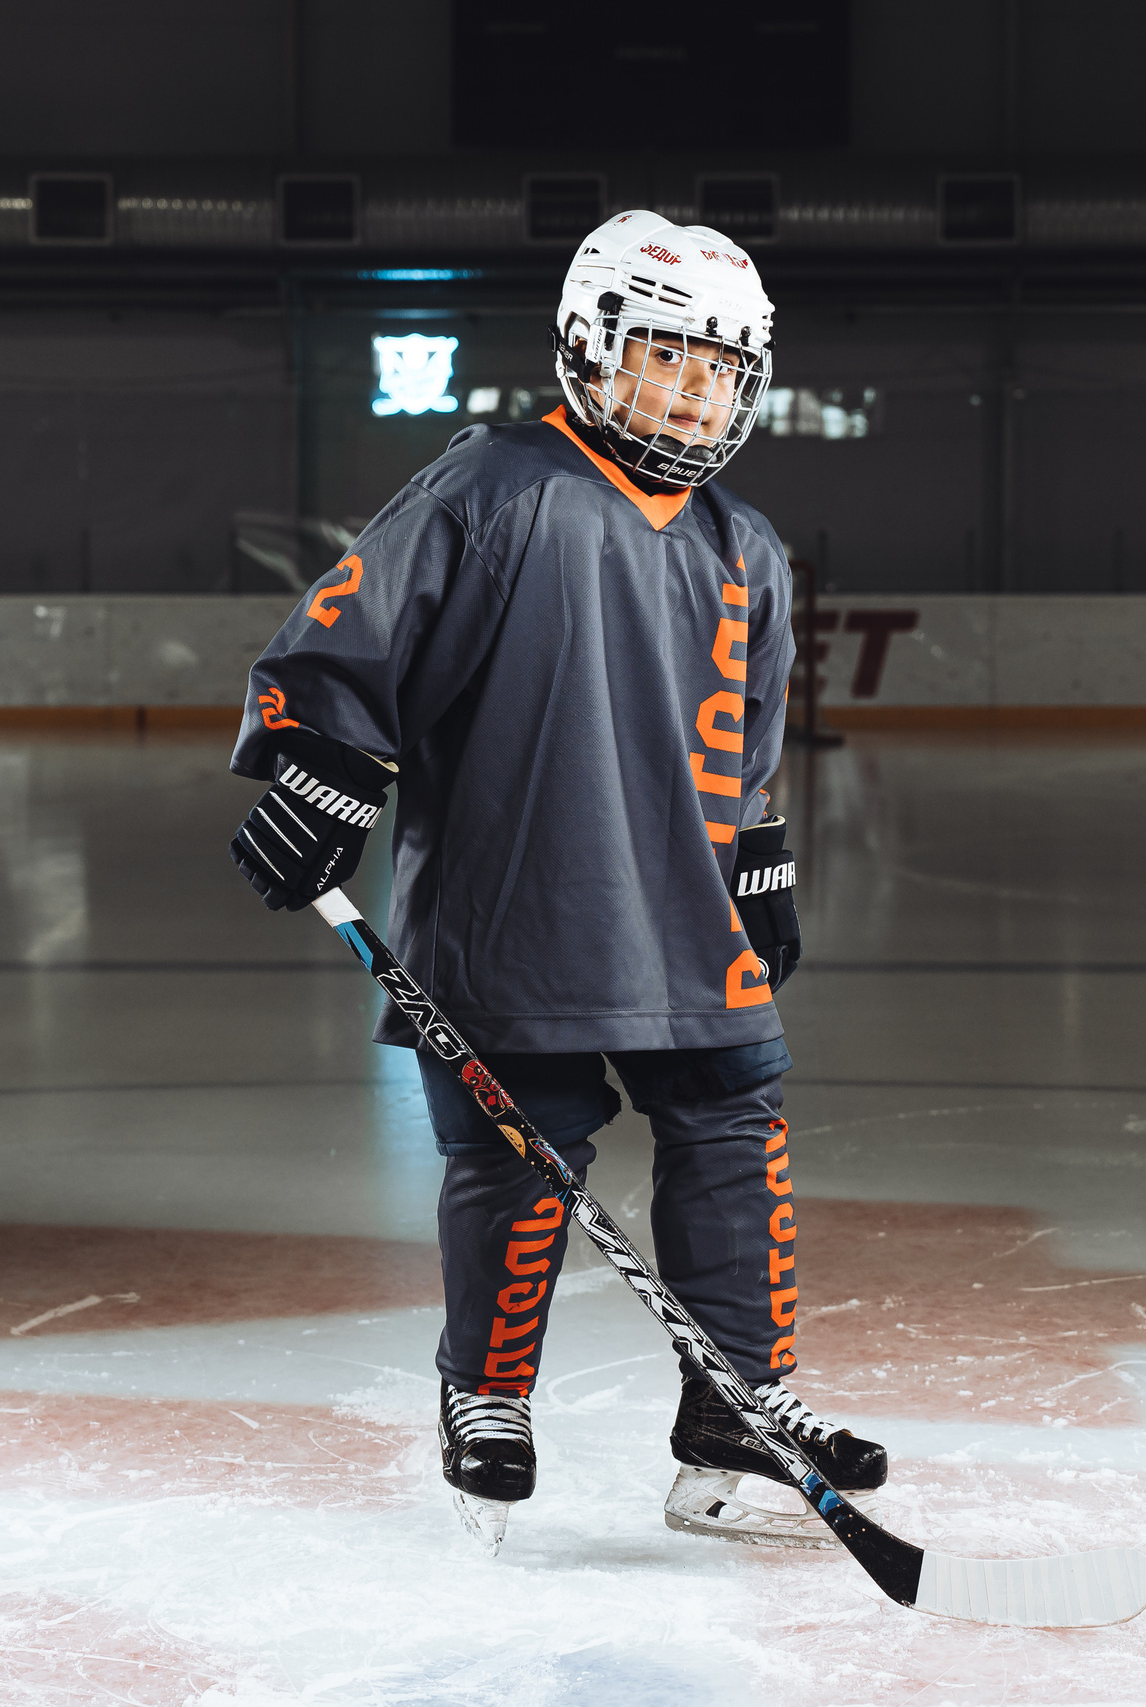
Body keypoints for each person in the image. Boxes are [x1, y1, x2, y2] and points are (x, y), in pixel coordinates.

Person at [227, 210, 884, 1553]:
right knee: (521, 1160)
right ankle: (489, 1394)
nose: (694, 395)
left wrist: (759, 864)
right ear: (590, 349)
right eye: (666, 361)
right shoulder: (493, 487)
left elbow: (744, 749)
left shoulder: (746, 547)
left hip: (688, 919)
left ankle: (738, 1412)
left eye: (720, 372)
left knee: (734, 1136)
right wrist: (315, 768)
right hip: (518, 908)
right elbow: (347, 642)